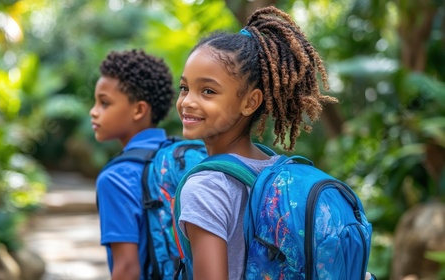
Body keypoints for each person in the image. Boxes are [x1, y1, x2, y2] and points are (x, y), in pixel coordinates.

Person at [175, 6, 341, 279]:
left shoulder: (205, 187)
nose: (188, 102)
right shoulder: (275, 169)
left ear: (250, 102)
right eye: (184, 88)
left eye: (207, 91)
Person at [90, 49, 175, 279]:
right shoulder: (178, 158)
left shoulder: (116, 178)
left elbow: (127, 269)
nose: (93, 111)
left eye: (104, 103)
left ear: (139, 110)